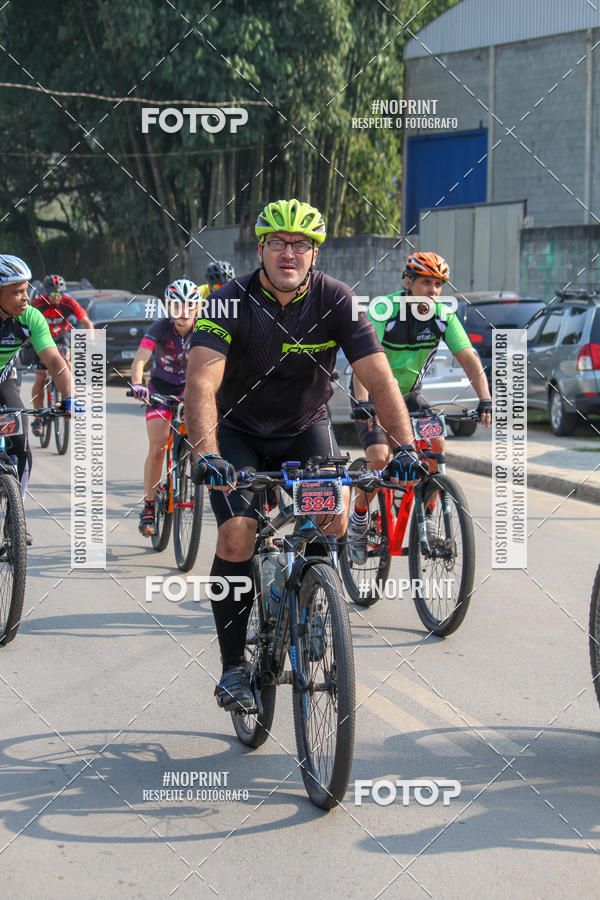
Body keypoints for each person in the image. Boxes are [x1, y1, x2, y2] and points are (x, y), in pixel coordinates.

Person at [185, 198, 419, 712]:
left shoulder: (338, 300)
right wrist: (207, 453)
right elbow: (201, 382)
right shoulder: (227, 301)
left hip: (304, 427)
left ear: (315, 253)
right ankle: (233, 667)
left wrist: (405, 447)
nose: (288, 252)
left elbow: (380, 378)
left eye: (300, 244)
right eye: (277, 242)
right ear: (261, 249)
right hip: (238, 432)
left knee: (332, 518)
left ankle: (313, 595)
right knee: (237, 532)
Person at [347, 250, 492, 562]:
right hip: (372, 391)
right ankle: (359, 519)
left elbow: (468, 356)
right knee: (379, 457)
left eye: (438, 284)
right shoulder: (385, 309)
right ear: (408, 282)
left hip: (411, 394)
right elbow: (363, 359)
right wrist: (363, 402)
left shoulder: (443, 315)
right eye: (426, 282)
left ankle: (426, 514)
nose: (433, 290)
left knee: (436, 443)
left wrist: (485, 399)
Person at [0, 256, 75, 538]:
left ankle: (15, 519)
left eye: (26, 290)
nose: (25, 297)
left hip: (5, 379)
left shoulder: (30, 317)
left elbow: (54, 361)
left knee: (21, 446)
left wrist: (69, 397)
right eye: (17, 292)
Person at [130, 278, 200, 535]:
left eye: (189, 306)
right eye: (177, 306)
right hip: (160, 389)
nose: (183, 312)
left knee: (202, 441)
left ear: (196, 307)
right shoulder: (159, 327)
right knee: (158, 448)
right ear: (169, 307)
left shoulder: (204, 329)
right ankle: (149, 506)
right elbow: (140, 359)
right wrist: (138, 384)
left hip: (190, 389)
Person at [30, 274, 93, 436]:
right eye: (52, 294)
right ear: (45, 292)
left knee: (66, 363)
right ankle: (38, 418)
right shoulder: (37, 304)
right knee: (40, 379)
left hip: (60, 338)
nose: (56, 297)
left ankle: (70, 397)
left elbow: (87, 323)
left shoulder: (68, 302)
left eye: (59, 294)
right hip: (41, 341)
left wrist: (92, 343)